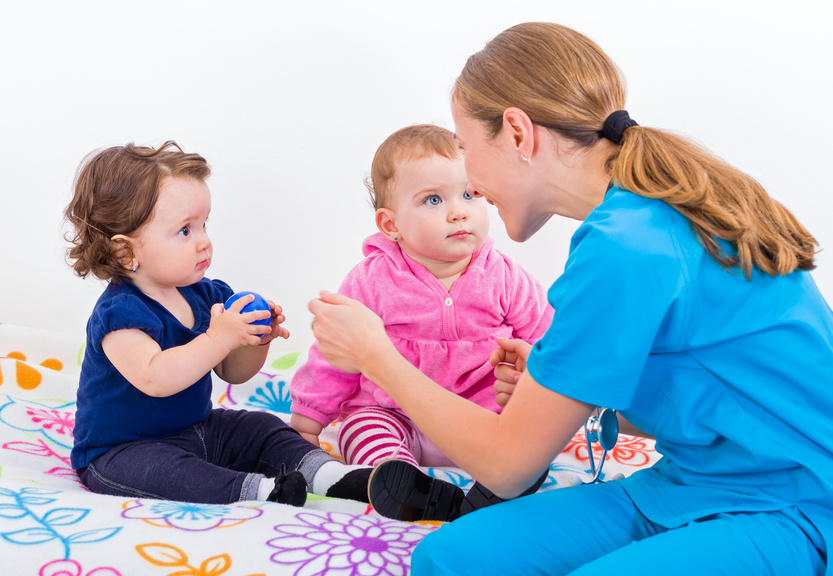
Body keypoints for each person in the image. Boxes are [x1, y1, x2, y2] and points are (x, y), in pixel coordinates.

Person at [306, 22, 833, 575]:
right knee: (449, 556)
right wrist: (553, 388)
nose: (472, 184)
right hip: (695, 482)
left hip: (798, 501)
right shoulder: (630, 222)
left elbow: (507, 467)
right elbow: (714, 399)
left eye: (465, 148)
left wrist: (375, 357)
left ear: (516, 133)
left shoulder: (629, 244)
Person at [64, 141, 370, 507]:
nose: (204, 242)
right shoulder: (119, 313)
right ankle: (260, 490)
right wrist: (219, 337)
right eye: (184, 231)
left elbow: (231, 372)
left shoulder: (206, 296)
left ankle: (333, 475)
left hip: (197, 429)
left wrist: (253, 341)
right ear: (125, 251)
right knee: (171, 472)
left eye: (203, 224)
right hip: (122, 450)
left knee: (260, 427)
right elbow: (156, 378)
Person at [290, 124, 553, 521]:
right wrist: (306, 425)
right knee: (361, 428)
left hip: (479, 418)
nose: (459, 210)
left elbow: (548, 338)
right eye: (433, 199)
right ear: (391, 224)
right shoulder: (372, 280)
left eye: (470, 194)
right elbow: (334, 355)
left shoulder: (505, 276)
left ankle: (500, 484)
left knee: (529, 434)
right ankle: (406, 483)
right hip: (396, 414)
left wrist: (531, 383)